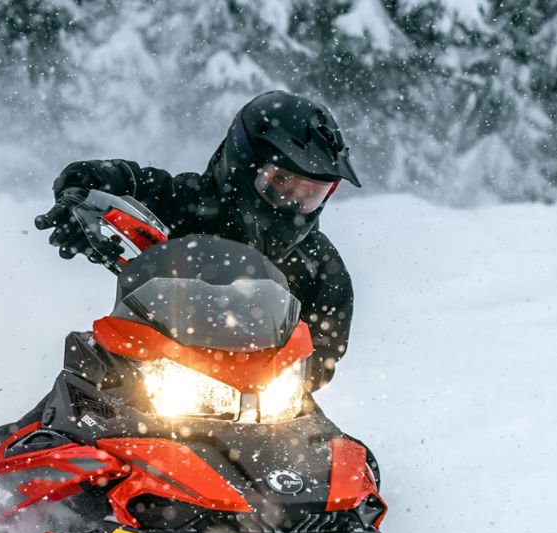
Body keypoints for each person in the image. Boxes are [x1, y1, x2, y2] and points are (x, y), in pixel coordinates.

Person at [33, 91, 361, 390]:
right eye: (282, 182)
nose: (293, 203)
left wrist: (288, 378)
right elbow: (121, 181)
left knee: (348, 455)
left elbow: (323, 356)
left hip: (261, 406)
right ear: (242, 164)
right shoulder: (184, 202)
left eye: (311, 194)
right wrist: (81, 200)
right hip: (149, 381)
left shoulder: (321, 267)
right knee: (54, 428)